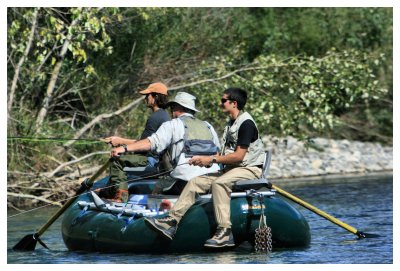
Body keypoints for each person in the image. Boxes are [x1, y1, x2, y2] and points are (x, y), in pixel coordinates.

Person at [145, 87, 265, 248]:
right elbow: (226, 156)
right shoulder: (231, 123)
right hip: (232, 169)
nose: (220, 103)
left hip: (250, 169)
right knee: (195, 182)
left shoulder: (246, 124)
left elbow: (239, 156)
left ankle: (225, 232)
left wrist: (212, 158)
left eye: (223, 100)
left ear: (234, 103)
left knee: (219, 183)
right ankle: (171, 221)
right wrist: (205, 161)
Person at [108, 91, 221, 199]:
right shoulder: (208, 126)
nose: (171, 112)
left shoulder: (173, 124)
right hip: (211, 180)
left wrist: (124, 148)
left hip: (184, 181)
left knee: (157, 190)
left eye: (172, 107)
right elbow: (217, 153)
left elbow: (151, 143)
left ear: (177, 108)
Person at [100, 82, 170, 202]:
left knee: (117, 160)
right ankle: (109, 191)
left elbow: (145, 145)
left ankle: (120, 197)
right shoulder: (165, 116)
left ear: (155, 97)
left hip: (151, 161)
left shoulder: (155, 118)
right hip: (158, 160)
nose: (145, 98)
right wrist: (120, 141)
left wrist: (121, 143)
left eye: (147, 95)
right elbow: (144, 142)